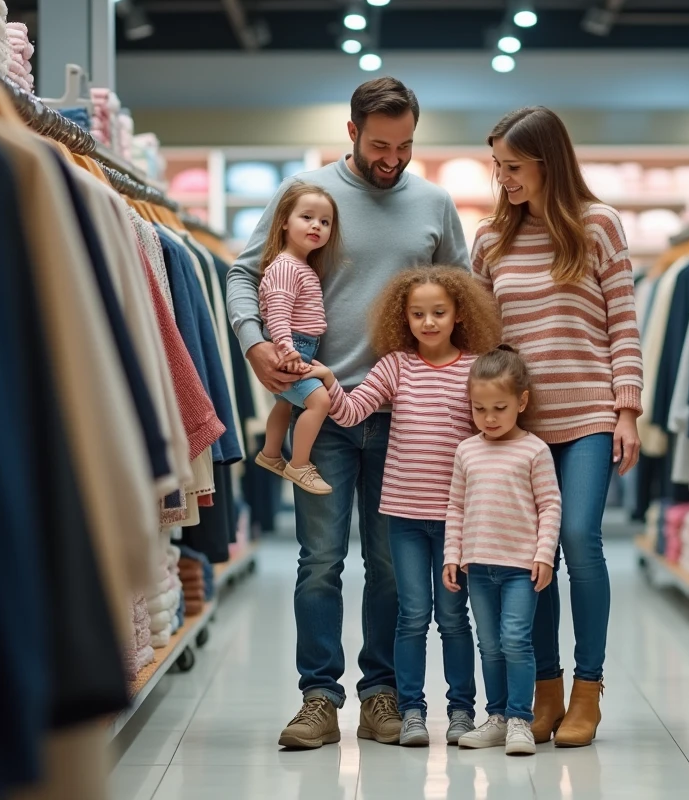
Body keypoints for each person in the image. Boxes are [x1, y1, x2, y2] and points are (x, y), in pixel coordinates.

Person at [226, 77, 471, 749]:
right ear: (353, 133)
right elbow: (244, 272)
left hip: (407, 417)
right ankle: (318, 698)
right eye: (380, 145)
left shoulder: (435, 204)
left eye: (405, 146)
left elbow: (463, 296)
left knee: (392, 566)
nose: (393, 159)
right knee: (320, 561)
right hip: (322, 410)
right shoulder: (308, 193)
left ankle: (380, 694)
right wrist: (253, 343)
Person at [470, 106, 644, 748]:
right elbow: (482, 340)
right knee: (527, 554)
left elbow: (623, 324)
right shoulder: (489, 239)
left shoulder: (599, 225)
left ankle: (587, 691)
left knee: (577, 538)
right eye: (498, 166)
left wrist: (627, 410)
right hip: (521, 427)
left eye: (514, 166)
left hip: (590, 412)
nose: (504, 178)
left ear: (549, 162)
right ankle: (543, 690)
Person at [305, 266, 501, 747]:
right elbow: (353, 411)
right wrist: (328, 380)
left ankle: (461, 711)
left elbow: (490, 434)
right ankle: (411, 710)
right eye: (417, 314)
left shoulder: (475, 369)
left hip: (456, 521)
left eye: (439, 312)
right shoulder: (395, 366)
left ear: (459, 314)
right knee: (412, 616)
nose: (428, 322)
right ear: (403, 318)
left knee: (453, 619)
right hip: (405, 520)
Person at [442, 345, 562, 757]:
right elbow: (455, 506)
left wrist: (544, 555)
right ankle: (495, 718)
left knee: (515, 640)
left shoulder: (534, 450)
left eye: (499, 408)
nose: (489, 418)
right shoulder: (466, 450)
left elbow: (550, 505)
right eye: (479, 409)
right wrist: (452, 555)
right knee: (489, 644)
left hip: (519, 569)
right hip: (478, 568)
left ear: (521, 402)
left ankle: (519, 719)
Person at [252, 183, 342, 495]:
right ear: (284, 222)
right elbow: (277, 314)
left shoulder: (299, 265)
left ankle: (270, 454)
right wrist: (287, 349)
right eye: (307, 217)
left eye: (325, 221)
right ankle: (299, 464)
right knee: (319, 402)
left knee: (284, 403)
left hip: (299, 345)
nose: (316, 225)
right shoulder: (286, 267)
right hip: (292, 347)